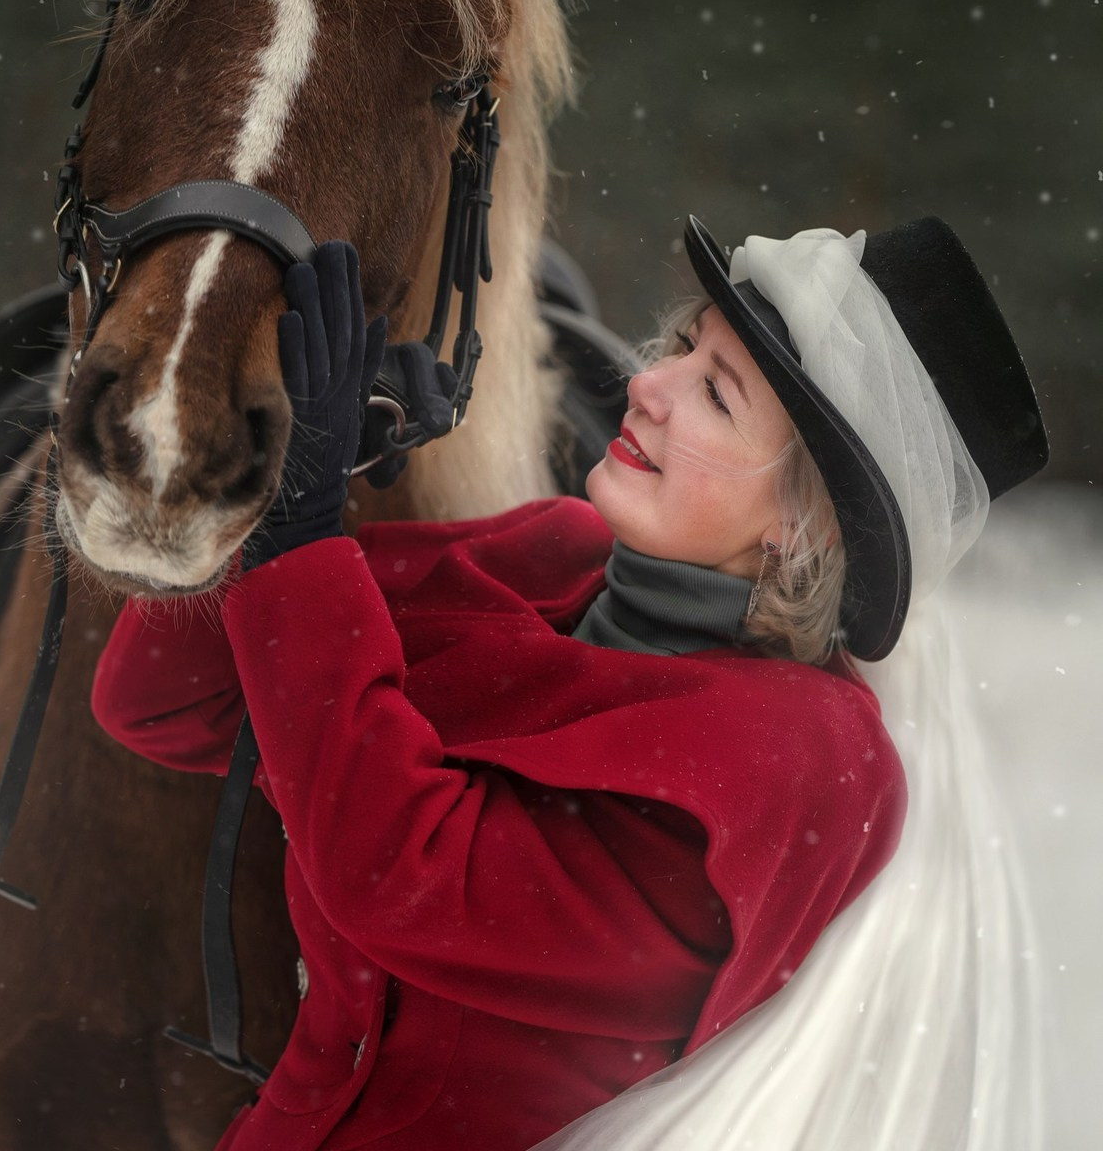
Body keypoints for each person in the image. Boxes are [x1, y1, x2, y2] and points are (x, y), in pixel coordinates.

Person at [91, 218, 1047, 1151]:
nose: (647, 385)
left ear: (805, 526)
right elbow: (161, 701)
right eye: (682, 348)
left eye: (715, 395)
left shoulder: (794, 765)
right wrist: (300, 467)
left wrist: (304, 540)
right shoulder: (558, 556)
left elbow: (403, 876)